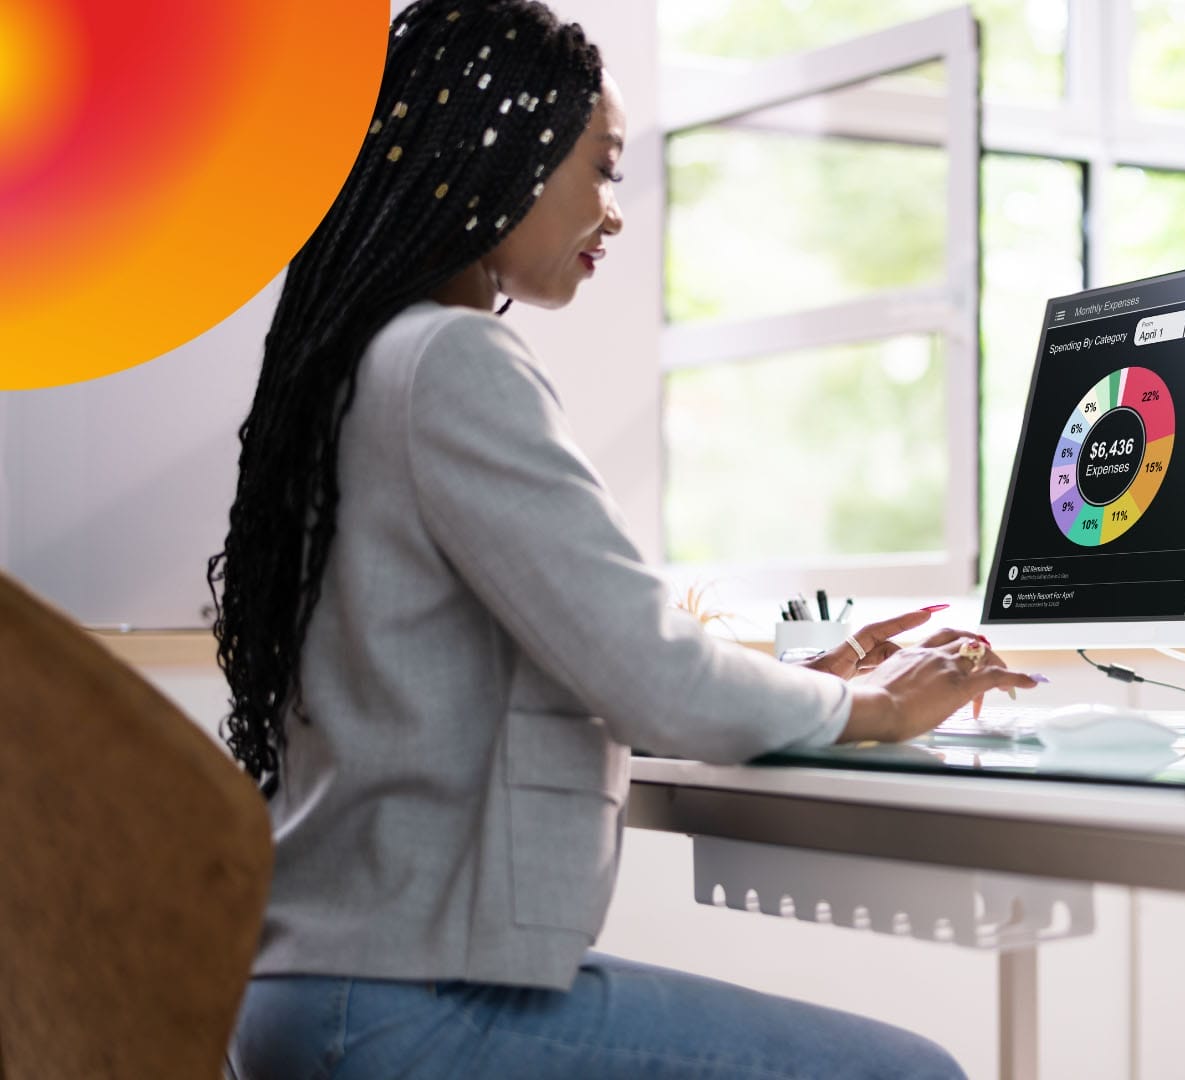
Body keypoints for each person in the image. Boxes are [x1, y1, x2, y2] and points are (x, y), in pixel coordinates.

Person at [206, 2, 1037, 1076]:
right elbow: (650, 670)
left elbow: (577, 656)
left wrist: (802, 679)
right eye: (601, 168)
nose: (616, 211)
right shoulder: (453, 363)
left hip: (312, 996)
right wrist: (870, 706)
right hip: (408, 1007)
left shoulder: (359, 364)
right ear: (495, 152)